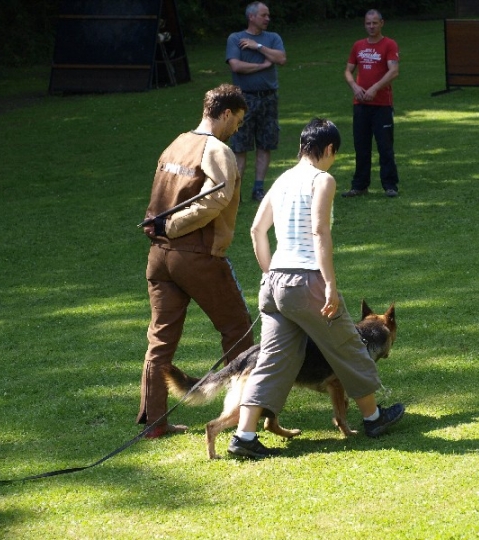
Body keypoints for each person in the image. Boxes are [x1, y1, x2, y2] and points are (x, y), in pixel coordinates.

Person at [228, 118, 405, 459]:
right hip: (306, 280)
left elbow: (255, 231)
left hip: (275, 282)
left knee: (272, 360)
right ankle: (373, 417)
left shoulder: (280, 180)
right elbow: (320, 233)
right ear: (327, 150)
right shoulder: (321, 180)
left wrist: (269, 274)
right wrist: (329, 286)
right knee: (349, 346)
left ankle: (244, 436)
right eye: (334, 154)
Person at [136, 84, 255, 439]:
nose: (238, 128)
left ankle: (154, 423)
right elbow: (215, 201)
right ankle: (248, 415)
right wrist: (172, 225)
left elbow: (159, 194)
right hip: (197, 256)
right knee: (239, 331)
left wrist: (157, 224)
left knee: (160, 340)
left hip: (159, 256)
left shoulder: (176, 143)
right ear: (226, 113)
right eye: (238, 120)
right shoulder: (217, 150)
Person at [226, 1, 287, 202]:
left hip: (269, 98)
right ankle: (235, 192)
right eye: (264, 15)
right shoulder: (235, 39)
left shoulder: (272, 38)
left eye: (268, 15)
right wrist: (263, 66)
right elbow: (236, 66)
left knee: (265, 144)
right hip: (244, 100)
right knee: (240, 146)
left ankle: (258, 189)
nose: (267, 18)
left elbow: (281, 58)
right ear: (251, 17)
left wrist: (258, 46)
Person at [342, 9, 400, 198]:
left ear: (382, 23)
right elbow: (348, 70)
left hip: (382, 105)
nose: (371, 26)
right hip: (360, 103)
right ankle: (359, 185)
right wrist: (355, 87)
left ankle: (390, 185)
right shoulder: (358, 45)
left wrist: (375, 87)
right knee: (361, 145)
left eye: (375, 23)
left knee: (385, 146)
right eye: (368, 23)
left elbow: (394, 71)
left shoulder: (389, 44)